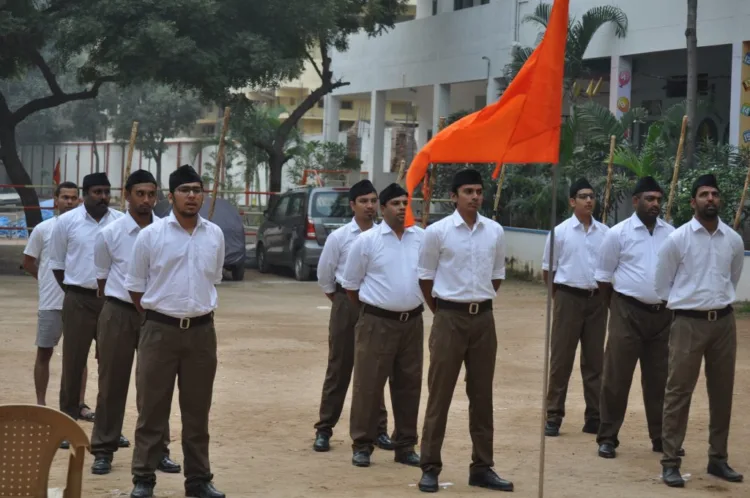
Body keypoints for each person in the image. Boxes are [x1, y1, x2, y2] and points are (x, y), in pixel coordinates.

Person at [126, 165, 225, 498]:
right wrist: (162, 315)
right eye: (185, 190)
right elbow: (136, 289)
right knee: (152, 408)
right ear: (171, 196)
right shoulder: (151, 236)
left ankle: (198, 480)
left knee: (197, 411)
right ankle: (143, 477)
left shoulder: (214, 234)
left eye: (197, 190)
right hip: (159, 330)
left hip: (201, 332)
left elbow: (213, 279)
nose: (192, 196)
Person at [417, 169, 512, 493]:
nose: (475, 197)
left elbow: (496, 277)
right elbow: (425, 279)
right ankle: (429, 466)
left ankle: (482, 467)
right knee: (440, 395)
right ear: (455, 195)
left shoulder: (494, 232)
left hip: (484, 319)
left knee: (482, 397)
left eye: (478, 191)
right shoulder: (438, 232)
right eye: (468, 191)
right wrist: (444, 312)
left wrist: (476, 304)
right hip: (449, 319)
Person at [655, 173, 745, 488]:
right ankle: (670, 462)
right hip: (687, 324)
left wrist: (715, 305)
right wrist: (689, 305)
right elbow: (662, 284)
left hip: (723, 323)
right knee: (678, 392)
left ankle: (717, 459)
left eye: (715, 194)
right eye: (704, 194)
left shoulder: (733, 240)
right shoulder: (677, 239)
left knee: (721, 393)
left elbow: (731, 279)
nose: (710, 199)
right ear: (693, 202)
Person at [89, 170, 180, 476]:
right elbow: (101, 278)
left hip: (157, 315)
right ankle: (103, 448)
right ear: (126, 195)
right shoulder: (110, 234)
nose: (146, 201)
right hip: (118, 312)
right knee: (111, 383)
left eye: (151, 194)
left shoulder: (168, 231)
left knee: (155, 386)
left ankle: (158, 450)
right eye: (139, 194)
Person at [594, 176, 682, 459]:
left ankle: (661, 438)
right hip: (626, 311)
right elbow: (604, 278)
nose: (655, 204)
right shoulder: (617, 234)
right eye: (649, 199)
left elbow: (678, 274)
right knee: (616, 377)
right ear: (636, 201)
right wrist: (618, 309)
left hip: (662, 316)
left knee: (660, 379)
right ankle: (608, 437)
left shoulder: (672, 234)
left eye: (658, 199)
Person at [341, 183, 424, 468]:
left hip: (412, 322)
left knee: (409, 385)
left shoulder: (420, 238)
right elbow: (351, 286)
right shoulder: (367, 241)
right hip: (377, 321)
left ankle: (405, 445)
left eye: (405, 202)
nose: (402, 207)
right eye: (396, 203)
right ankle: (362, 444)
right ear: (383, 208)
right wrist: (374, 311)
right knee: (368, 385)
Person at [313, 179, 393, 452]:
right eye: (364, 201)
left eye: (373, 201)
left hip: (375, 307)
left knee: (374, 369)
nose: (370, 206)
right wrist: (342, 301)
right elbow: (325, 276)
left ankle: (378, 430)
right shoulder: (340, 237)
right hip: (345, 304)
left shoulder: (386, 235)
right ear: (352, 205)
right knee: (339, 367)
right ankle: (324, 429)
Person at [49, 172, 123, 430]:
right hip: (78, 300)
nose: (103, 197)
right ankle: (67, 425)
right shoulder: (66, 222)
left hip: (112, 303)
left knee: (111, 365)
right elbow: (57, 266)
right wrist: (74, 292)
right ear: (85, 194)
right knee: (73, 363)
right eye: (97, 192)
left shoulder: (121, 222)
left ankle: (108, 429)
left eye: (106, 192)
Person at [542, 178, 609, 438]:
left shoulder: (605, 233)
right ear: (572, 201)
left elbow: (608, 268)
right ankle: (553, 416)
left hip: (597, 301)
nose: (589, 200)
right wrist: (560, 298)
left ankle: (594, 416)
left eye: (591, 196)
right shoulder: (559, 232)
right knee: (561, 360)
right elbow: (548, 271)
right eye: (583, 196)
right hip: (568, 298)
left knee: (595, 362)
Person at [22, 182, 94, 423]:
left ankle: (79, 403)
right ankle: (41, 404)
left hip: (80, 303)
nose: (70, 202)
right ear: (55, 200)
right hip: (51, 302)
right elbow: (29, 261)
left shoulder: (85, 229)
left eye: (74, 198)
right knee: (44, 352)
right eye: (65, 197)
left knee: (79, 356)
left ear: (80, 200)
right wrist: (45, 280)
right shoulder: (43, 229)